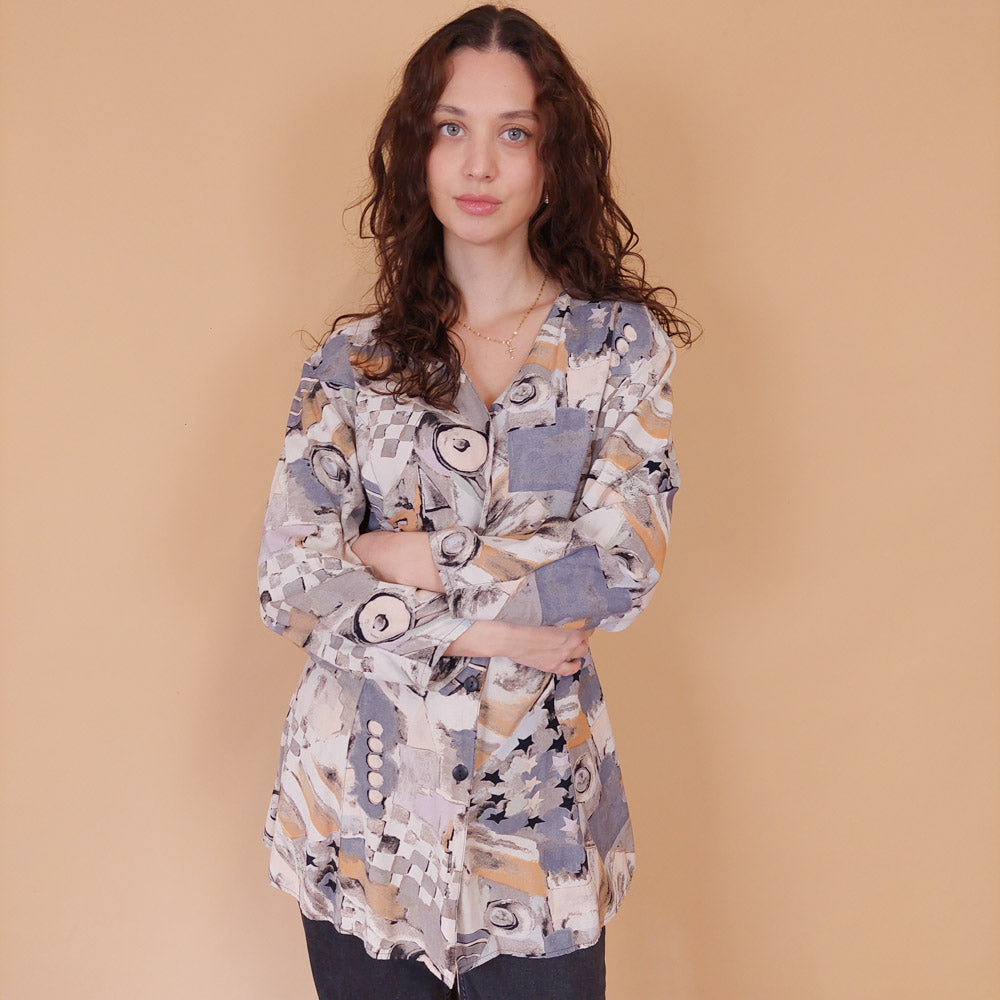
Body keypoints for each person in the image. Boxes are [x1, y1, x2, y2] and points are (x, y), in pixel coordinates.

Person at [256, 6, 694, 999]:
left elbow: (613, 571)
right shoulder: (352, 365)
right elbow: (290, 582)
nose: (479, 164)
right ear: (417, 151)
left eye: (515, 132)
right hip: (359, 814)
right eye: (451, 127)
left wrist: (401, 557)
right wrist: (486, 632)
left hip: (536, 820)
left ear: (553, 160)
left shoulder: (616, 350)